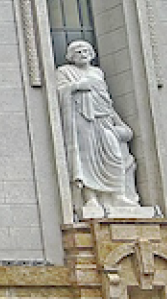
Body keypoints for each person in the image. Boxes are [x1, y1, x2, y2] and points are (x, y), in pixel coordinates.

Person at [56, 40, 143, 216]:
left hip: (103, 119)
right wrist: (77, 86)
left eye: (85, 50)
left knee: (114, 153)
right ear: (71, 56)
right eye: (78, 51)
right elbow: (59, 92)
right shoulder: (64, 72)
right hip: (82, 120)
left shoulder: (97, 72)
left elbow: (106, 100)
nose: (82, 53)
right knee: (87, 160)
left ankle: (118, 195)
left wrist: (118, 122)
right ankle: (91, 198)